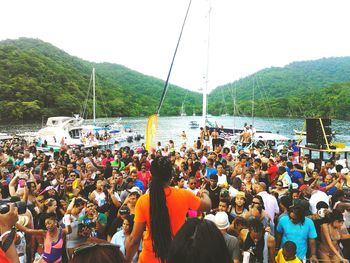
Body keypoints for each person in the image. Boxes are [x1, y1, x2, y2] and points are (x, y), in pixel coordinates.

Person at [125, 156, 211, 263]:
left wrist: (126, 260)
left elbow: (134, 240)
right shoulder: (184, 195)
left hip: (148, 259)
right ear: (171, 176)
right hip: (176, 257)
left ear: (151, 175)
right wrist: (205, 193)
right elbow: (207, 206)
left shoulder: (143, 201)